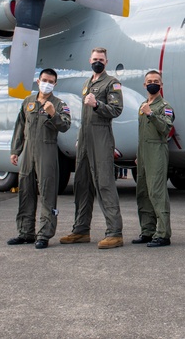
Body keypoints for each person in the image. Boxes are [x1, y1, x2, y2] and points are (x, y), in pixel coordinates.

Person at [60, 47, 124, 249]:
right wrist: (81, 138)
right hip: (85, 139)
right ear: (90, 60)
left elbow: (116, 110)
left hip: (101, 137)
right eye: (95, 59)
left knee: (104, 183)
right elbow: (85, 116)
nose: (98, 62)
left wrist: (97, 104)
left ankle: (114, 232)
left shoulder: (111, 83)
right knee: (82, 183)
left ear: (106, 61)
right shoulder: (88, 82)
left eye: (101, 59)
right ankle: (81, 229)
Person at [7, 68, 72, 250]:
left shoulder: (59, 104)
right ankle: (25, 232)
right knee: (26, 190)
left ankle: (44, 234)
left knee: (47, 191)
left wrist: (53, 114)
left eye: (51, 81)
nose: (47, 84)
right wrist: (15, 150)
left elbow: (65, 125)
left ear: (55, 84)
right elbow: (20, 126)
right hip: (28, 149)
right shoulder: (28, 102)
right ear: (38, 81)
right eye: (44, 80)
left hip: (47, 149)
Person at [133, 70, 175, 248]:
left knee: (157, 192)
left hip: (157, 150)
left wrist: (151, 114)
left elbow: (166, 128)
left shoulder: (164, 106)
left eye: (156, 81)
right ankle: (147, 230)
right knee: (143, 192)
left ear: (161, 85)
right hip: (143, 152)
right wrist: (138, 154)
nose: (152, 83)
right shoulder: (143, 104)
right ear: (144, 85)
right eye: (149, 81)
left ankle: (163, 234)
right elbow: (142, 133)